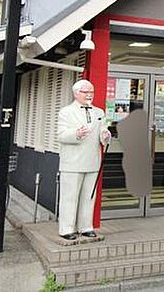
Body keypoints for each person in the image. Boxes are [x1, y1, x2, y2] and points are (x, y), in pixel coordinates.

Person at [57, 79, 110, 241]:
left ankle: (86, 226)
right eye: (85, 92)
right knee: (69, 197)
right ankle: (66, 228)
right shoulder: (66, 112)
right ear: (76, 93)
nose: (89, 95)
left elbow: (103, 131)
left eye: (91, 92)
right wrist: (76, 134)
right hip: (72, 162)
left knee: (89, 196)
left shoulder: (99, 112)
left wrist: (105, 135)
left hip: (92, 160)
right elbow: (61, 135)